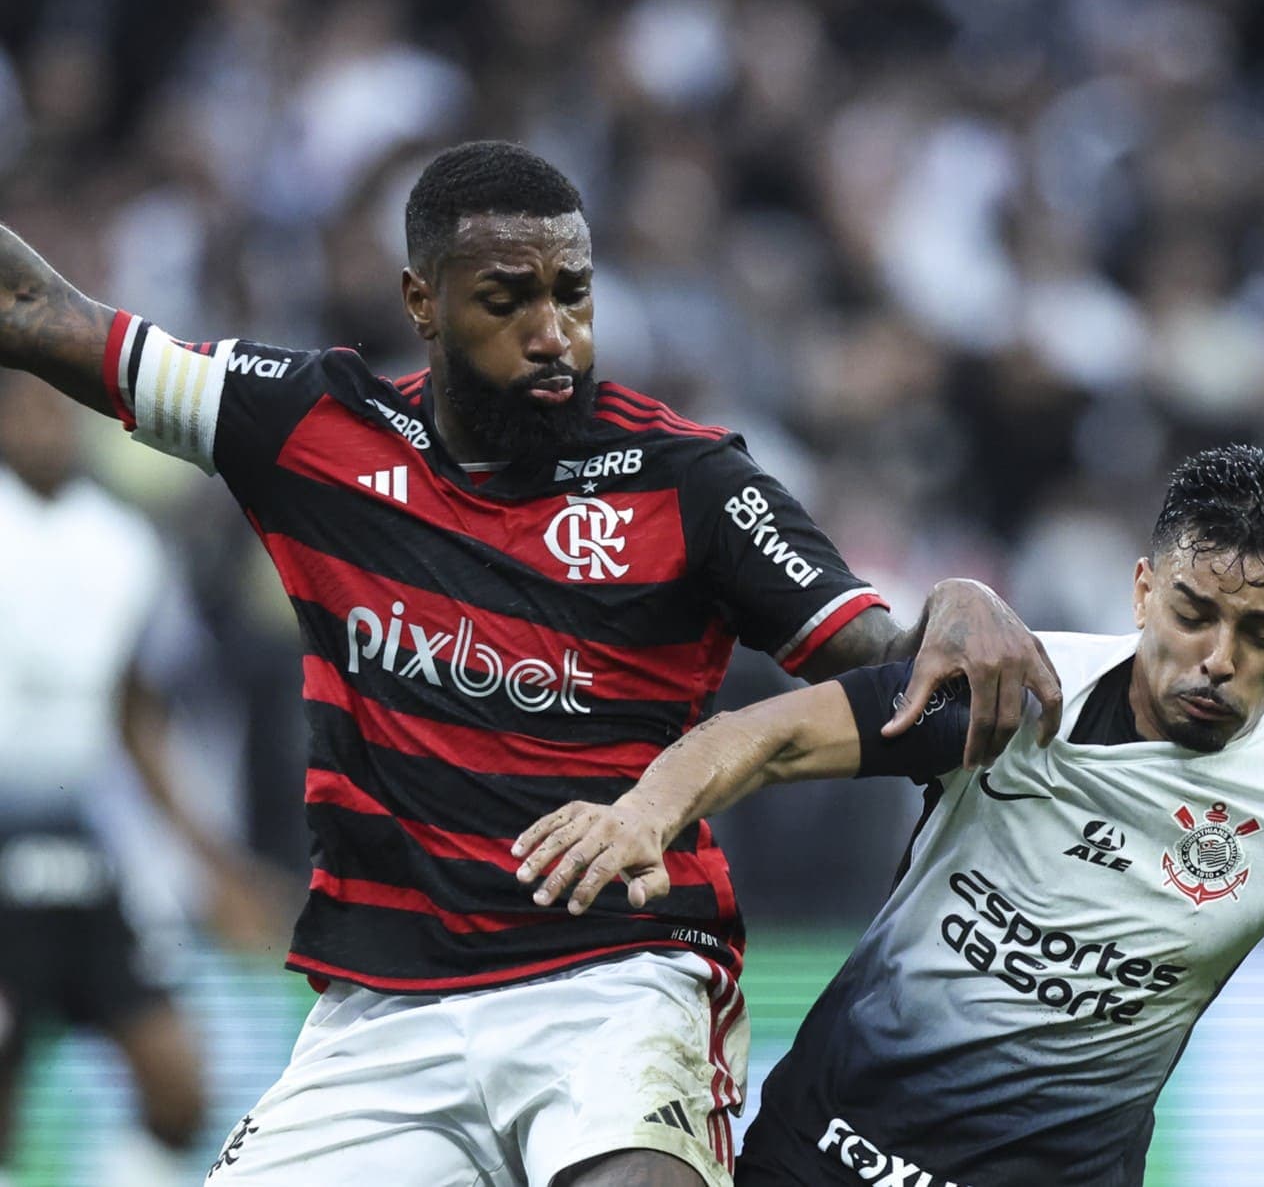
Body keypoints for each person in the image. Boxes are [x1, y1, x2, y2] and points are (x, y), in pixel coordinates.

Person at [0, 139, 1060, 1186]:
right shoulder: (310, 427)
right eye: (508, 299)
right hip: (383, 1012)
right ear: (423, 299)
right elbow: (38, 311)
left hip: (615, 976)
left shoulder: (688, 482)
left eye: (575, 293)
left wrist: (954, 608)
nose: (554, 333)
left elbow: (907, 674)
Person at [519, 443, 1264, 1186]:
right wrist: (642, 812)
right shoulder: (1010, 686)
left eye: (1263, 633)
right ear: (1145, 587)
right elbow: (765, 736)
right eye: (1194, 612)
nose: (1217, 659)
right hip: (818, 1162)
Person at [0, 372, 286, 1186]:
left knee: (178, 1086)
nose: (44, 428)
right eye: (23, 411)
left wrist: (215, 862)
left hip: (83, 837)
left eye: (56, 411)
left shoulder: (121, 546)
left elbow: (137, 722)